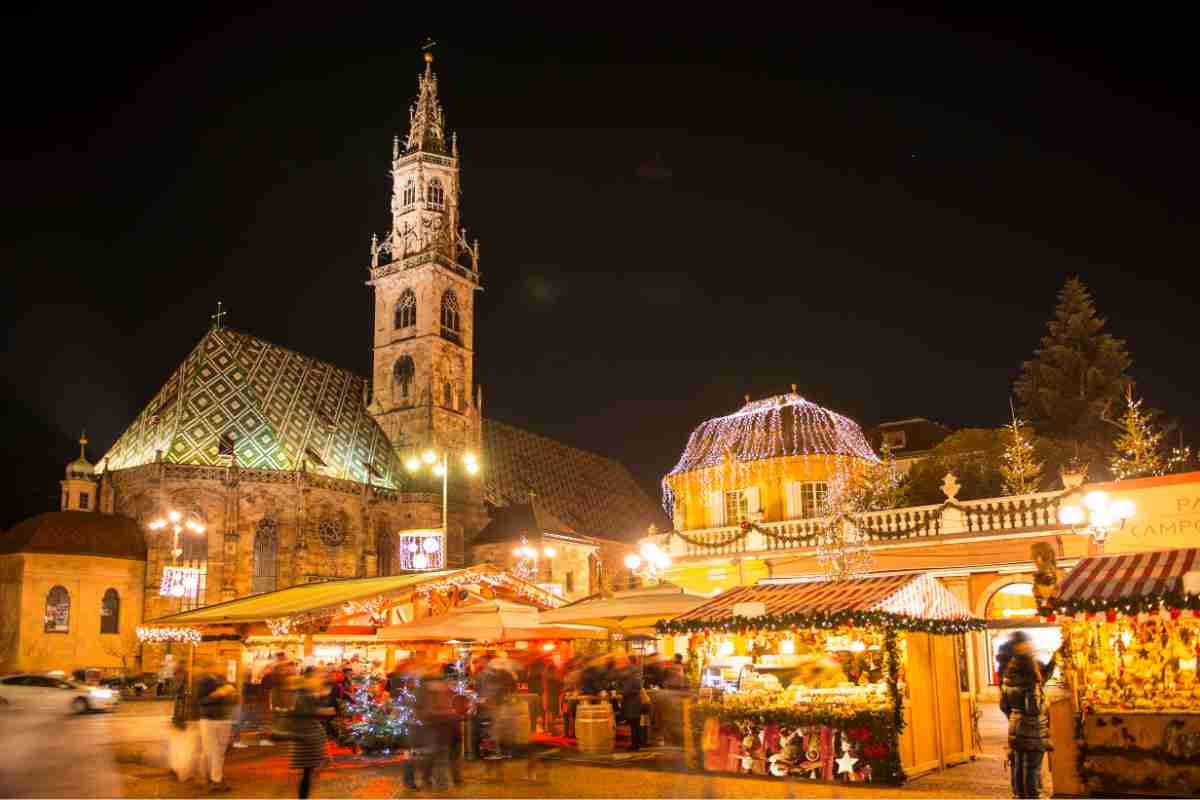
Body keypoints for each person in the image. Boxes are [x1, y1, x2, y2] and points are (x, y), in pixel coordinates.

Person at [1000, 639, 1053, 799]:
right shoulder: (1030, 684)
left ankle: (1018, 796)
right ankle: (1032, 797)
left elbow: (1003, 706)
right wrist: (1046, 704)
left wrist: (1014, 716)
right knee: (1031, 768)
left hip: (1015, 727)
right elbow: (1034, 709)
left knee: (1017, 765)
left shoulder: (1008, 681)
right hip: (1031, 730)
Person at [288, 667, 332, 799]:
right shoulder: (303, 693)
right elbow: (303, 711)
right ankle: (302, 797)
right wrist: (323, 711)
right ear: (309, 678)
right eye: (317, 677)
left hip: (308, 735)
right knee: (307, 771)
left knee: (308, 771)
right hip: (306, 736)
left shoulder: (307, 692)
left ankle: (303, 796)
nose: (319, 679)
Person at [196, 658, 237, 792]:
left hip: (222, 719)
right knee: (213, 751)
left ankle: (214, 778)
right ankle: (215, 779)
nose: (220, 667)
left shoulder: (222, 680)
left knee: (219, 751)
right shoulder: (203, 681)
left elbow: (231, 698)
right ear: (209, 667)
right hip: (210, 719)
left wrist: (231, 693)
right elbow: (201, 700)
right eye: (217, 665)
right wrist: (218, 694)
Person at [167, 663, 202, 783]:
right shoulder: (188, 682)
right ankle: (183, 771)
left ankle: (180, 769)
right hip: (185, 717)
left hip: (181, 717)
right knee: (185, 745)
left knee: (181, 744)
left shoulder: (183, 681)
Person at [619, 659, 645, 751]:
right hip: (635, 701)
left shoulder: (631, 673)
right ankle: (636, 743)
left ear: (629, 662)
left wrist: (620, 692)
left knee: (634, 724)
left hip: (632, 702)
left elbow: (628, 689)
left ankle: (635, 745)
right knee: (635, 724)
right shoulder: (635, 672)